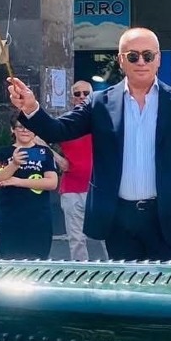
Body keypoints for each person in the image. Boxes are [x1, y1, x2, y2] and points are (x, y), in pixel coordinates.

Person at [8, 27, 171, 262]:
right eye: (133, 56)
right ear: (121, 61)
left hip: (167, 218)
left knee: (163, 295)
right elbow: (58, 129)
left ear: (158, 60)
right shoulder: (100, 103)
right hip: (119, 220)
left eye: (148, 55)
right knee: (123, 295)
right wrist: (30, 108)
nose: (141, 62)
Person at [49, 80, 106, 262]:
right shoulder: (66, 122)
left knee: (108, 236)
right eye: (77, 94)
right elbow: (39, 137)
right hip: (72, 187)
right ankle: (82, 277)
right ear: (71, 98)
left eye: (86, 93)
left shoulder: (104, 120)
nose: (82, 97)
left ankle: (116, 273)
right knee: (76, 239)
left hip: (99, 187)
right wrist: (58, 159)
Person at [0, 113, 59, 260]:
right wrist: (14, 164)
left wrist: (18, 182)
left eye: (29, 127)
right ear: (12, 130)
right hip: (10, 218)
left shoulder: (43, 153)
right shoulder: (3, 152)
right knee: (10, 264)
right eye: (20, 127)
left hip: (38, 218)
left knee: (38, 264)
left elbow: (52, 182)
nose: (25, 130)